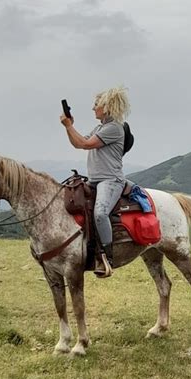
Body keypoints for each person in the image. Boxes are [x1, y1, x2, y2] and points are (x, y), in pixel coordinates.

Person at [60, 86, 130, 278]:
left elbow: (85, 144)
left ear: (107, 107)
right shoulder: (101, 127)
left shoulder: (113, 127)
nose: (93, 108)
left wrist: (68, 126)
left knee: (100, 213)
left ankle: (108, 257)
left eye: (96, 105)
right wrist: (69, 127)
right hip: (95, 180)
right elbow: (78, 142)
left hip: (111, 180)